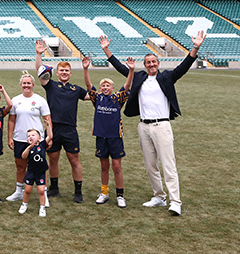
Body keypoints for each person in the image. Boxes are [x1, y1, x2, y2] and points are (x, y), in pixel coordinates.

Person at [99, 31, 206, 216]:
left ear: (158, 63)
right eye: (148, 62)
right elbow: (121, 69)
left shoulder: (166, 77)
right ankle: (159, 196)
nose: (151, 65)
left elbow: (185, 66)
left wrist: (195, 47)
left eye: (154, 62)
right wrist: (106, 50)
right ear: (145, 65)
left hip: (162, 126)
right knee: (151, 165)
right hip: (144, 127)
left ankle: (175, 201)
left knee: (168, 165)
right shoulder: (139, 77)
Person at [35, 39, 88, 203]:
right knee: (53, 159)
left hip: (70, 130)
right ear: (57, 73)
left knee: (74, 159)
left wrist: (86, 70)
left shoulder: (76, 89)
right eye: (61, 70)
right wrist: (38, 54)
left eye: (67, 70)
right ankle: (55, 188)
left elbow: (91, 96)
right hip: (53, 129)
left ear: (70, 73)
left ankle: (78, 191)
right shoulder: (50, 85)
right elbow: (39, 71)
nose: (64, 72)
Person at [83, 55, 134, 209]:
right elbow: (88, 85)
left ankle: (120, 195)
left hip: (115, 137)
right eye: (103, 86)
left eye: (108, 86)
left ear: (112, 88)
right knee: (104, 166)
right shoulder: (96, 98)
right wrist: (85, 69)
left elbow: (127, 86)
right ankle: (104, 193)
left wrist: (131, 70)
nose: (105, 88)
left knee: (116, 166)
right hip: (101, 137)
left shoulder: (118, 98)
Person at [7, 71, 53, 205]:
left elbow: (47, 119)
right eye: (24, 83)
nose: (26, 85)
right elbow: (11, 120)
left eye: (29, 83)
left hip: (37, 140)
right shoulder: (15, 100)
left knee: (39, 166)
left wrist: (50, 137)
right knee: (20, 166)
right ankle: (19, 192)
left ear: (33, 84)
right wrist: (10, 137)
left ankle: (43, 194)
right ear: (21, 85)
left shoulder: (40, 100)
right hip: (20, 139)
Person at [18, 129, 49, 218]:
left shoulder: (42, 145)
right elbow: (23, 156)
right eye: (28, 136)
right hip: (31, 172)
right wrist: (29, 147)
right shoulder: (28, 148)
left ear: (39, 138)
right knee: (27, 190)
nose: (30, 137)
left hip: (41, 172)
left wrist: (48, 126)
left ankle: (42, 207)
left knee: (41, 191)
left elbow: (50, 136)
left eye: (33, 135)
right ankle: (24, 204)